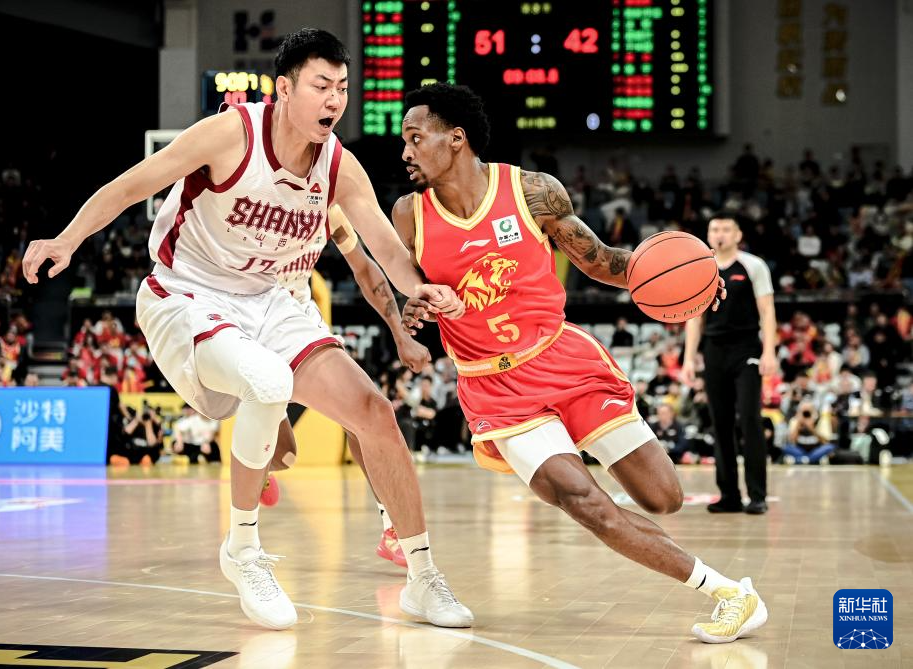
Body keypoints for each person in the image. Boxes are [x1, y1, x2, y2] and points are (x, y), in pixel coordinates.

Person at [21, 29, 472, 630]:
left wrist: (417, 289)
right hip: (188, 294)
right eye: (321, 86)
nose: (335, 100)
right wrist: (66, 239)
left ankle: (421, 575)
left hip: (274, 301)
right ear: (284, 89)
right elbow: (133, 185)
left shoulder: (338, 163)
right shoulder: (229, 133)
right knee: (266, 381)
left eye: (342, 88)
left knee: (374, 412)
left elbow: (379, 246)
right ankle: (243, 549)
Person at [398, 83, 764, 644]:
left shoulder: (532, 191)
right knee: (582, 500)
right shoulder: (409, 215)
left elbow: (603, 262)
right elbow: (403, 290)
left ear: (456, 138)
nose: (406, 151)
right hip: (496, 386)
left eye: (415, 137)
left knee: (662, 498)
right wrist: (411, 315)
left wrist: (693, 278)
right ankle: (729, 593)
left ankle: (648, 531)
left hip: (564, 358)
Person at [266, 203, 431, 566]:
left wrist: (401, 334)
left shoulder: (326, 203)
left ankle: (394, 531)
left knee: (368, 411)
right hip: (245, 321)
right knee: (282, 455)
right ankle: (258, 469)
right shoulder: (243, 186)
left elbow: (364, 268)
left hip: (298, 324)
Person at [681, 212, 778, 515]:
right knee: (719, 424)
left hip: (746, 349)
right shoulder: (700, 268)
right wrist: (688, 357)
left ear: (737, 235)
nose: (720, 234)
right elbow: (694, 316)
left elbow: (768, 311)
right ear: (708, 235)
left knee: (749, 420)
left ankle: (758, 495)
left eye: (726, 229)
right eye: (715, 229)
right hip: (714, 351)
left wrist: (770, 352)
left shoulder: (753, 265)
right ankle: (729, 495)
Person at [782, 400, 834, 464]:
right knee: (786, 447)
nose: (806, 414)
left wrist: (812, 429)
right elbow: (792, 441)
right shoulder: (795, 420)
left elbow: (825, 442)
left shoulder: (821, 420)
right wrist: (798, 425)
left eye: (808, 411)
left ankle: (800, 460)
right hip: (800, 449)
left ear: (814, 411)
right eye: (804, 412)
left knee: (829, 447)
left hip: (816, 449)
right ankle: (813, 460)